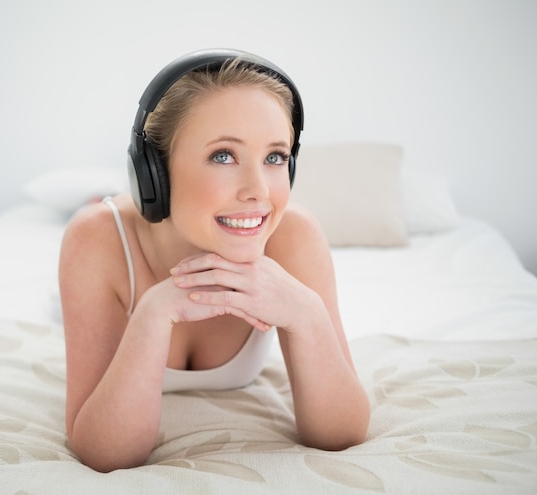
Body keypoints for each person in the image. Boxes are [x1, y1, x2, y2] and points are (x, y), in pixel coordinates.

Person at [59, 49, 369, 472]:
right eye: (224, 156)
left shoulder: (294, 235)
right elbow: (104, 452)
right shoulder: (94, 240)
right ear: (155, 175)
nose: (258, 191)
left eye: (275, 157)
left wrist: (306, 312)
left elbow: (342, 434)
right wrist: (152, 312)